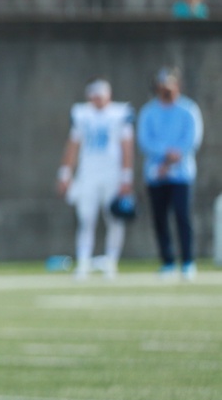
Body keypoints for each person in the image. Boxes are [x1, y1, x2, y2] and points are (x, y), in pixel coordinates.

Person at [57, 79, 133, 280]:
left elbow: (127, 146)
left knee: (114, 219)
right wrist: (65, 173)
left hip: (112, 174)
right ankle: (83, 261)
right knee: (85, 218)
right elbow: (73, 145)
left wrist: (127, 176)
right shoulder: (83, 115)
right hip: (88, 173)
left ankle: (111, 261)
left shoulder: (119, 114)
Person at [137, 67, 204, 280]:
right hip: (156, 174)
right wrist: (164, 156)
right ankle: (167, 262)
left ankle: (187, 262)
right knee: (160, 219)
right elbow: (145, 140)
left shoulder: (188, 109)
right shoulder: (148, 111)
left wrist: (174, 157)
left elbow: (191, 139)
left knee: (183, 217)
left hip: (182, 174)